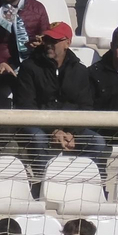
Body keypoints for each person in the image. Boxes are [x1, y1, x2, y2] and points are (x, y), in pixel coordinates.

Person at [15, 21, 104, 176]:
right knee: (38, 138)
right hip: (38, 125)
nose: (49, 44)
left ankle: (84, 181)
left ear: (67, 43)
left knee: (97, 142)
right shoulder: (29, 67)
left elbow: (86, 107)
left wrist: (72, 132)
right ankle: (43, 182)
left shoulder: (80, 71)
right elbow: (26, 106)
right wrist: (53, 130)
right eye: (47, 39)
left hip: (71, 128)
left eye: (54, 41)